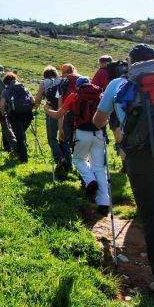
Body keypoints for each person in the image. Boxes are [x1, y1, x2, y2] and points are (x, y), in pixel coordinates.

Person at [93, 43, 154, 301]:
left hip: (140, 156)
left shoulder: (120, 84)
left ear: (132, 62)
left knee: (151, 213)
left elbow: (98, 120)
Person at [46, 77, 109, 213]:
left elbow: (58, 115)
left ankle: (90, 181)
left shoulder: (74, 96)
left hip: (81, 133)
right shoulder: (101, 95)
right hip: (98, 134)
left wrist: (47, 109)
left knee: (78, 160)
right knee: (99, 167)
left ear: (78, 86)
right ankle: (104, 203)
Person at [34, 65, 71, 177]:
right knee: (63, 138)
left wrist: (34, 108)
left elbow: (38, 99)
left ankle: (60, 158)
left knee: (52, 138)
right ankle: (69, 165)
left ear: (45, 74)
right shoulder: (61, 81)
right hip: (64, 112)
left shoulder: (44, 83)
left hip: (51, 112)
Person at [0, 72, 34, 162]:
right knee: (22, 134)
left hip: (15, 116)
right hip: (28, 115)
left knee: (19, 138)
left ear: (6, 82)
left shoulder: (5, 91)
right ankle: (23, 151)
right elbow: (33, 101)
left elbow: (1, 105)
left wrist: (3, 113)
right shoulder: (24, 88)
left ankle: (23, 159)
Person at [57, 63, 80, 164]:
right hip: (83, 116)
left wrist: (60, 128)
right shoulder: (82, 81)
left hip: (69, 116)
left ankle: (68, 164)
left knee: (67, 141)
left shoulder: (62, 84)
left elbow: (60, 108)